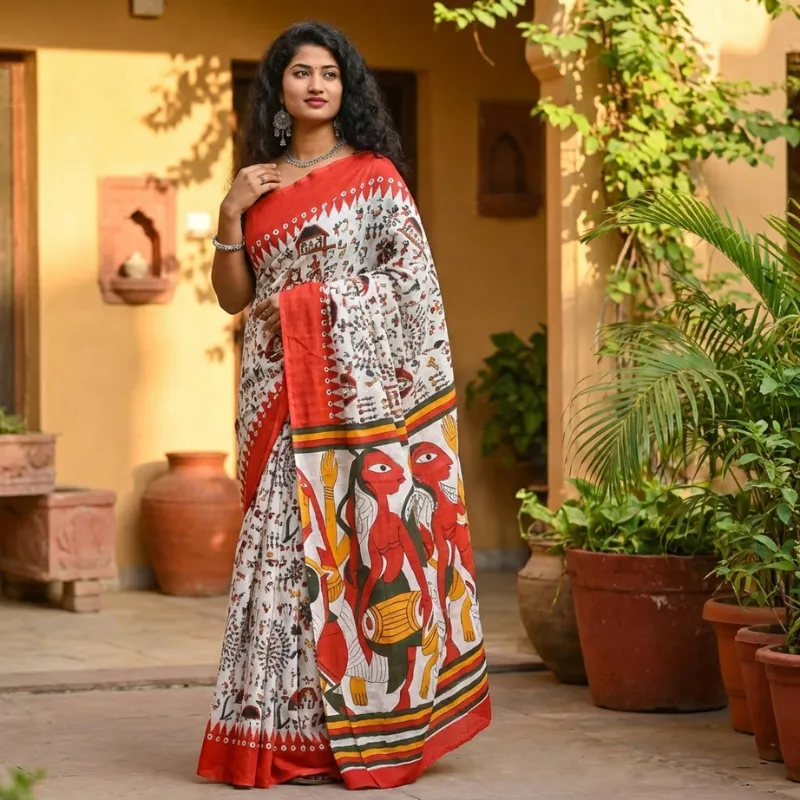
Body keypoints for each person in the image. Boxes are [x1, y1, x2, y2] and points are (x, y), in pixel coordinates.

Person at [196, 20, 491, 791]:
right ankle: (273, 733)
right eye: (301, 72)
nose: (316, 84)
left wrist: (311, 305)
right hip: (276, 398)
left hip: (356, 401)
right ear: (280, 89)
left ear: (346, 86)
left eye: (330, 72)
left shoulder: (375, 177)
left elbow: (412, 287)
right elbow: (235, 299)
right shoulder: (255, 184)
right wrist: (230, 216)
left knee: (357, 546)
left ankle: (365, 728)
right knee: (281, 560)